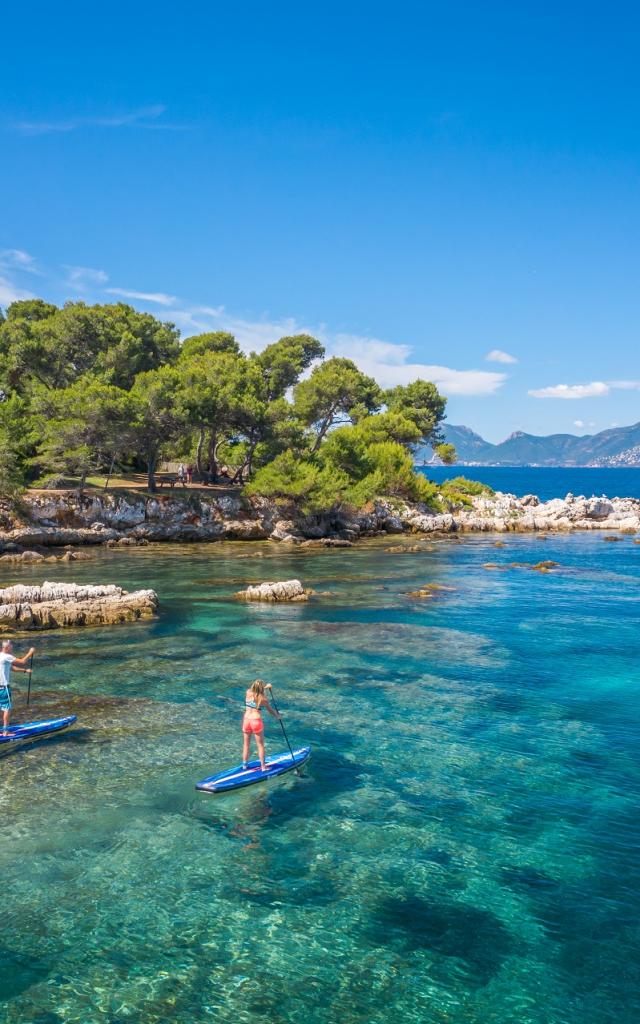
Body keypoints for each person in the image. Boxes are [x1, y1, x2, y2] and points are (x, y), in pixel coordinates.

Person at [242, 679, 281, 771]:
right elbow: (270, 710)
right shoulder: (263, 699)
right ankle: (263, 767)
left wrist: (266, 687)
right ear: (261, 688)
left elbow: (256, 690)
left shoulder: (248, 692)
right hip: (256, 721)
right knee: (260, 745)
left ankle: (244, 765)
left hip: (246, 720)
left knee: (246, 744)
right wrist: (277, 716)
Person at [0, 640, 35, 734]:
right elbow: (22, 661)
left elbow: (12, 668)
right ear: (6, 648)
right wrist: (30, 652)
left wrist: (25, 671)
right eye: (11, 646)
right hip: (3, 688)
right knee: (7, 709)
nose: (12, 648)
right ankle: (5, 732)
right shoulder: (7, 656)